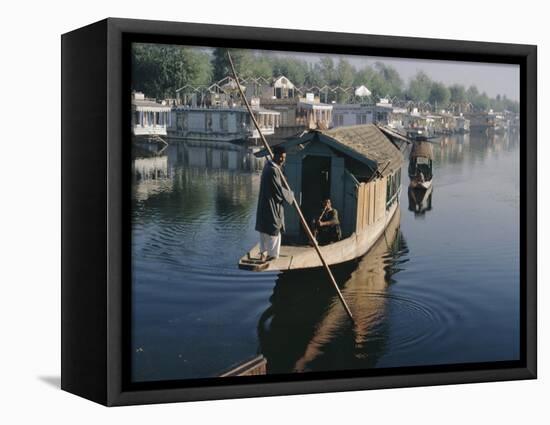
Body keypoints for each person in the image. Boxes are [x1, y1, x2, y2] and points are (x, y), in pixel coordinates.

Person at [255, 145, 294, 261]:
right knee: (274, 228)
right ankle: (271, 255)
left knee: (265, 228)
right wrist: (290, 196)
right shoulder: (272, 169)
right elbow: (278, 191)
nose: (283, 160)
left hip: (266, 203)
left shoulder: (270, 166)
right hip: (271, 204)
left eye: (284, 157)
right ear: (275, 156)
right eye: (281, 157)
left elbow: (277, 185)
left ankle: (263, 252)